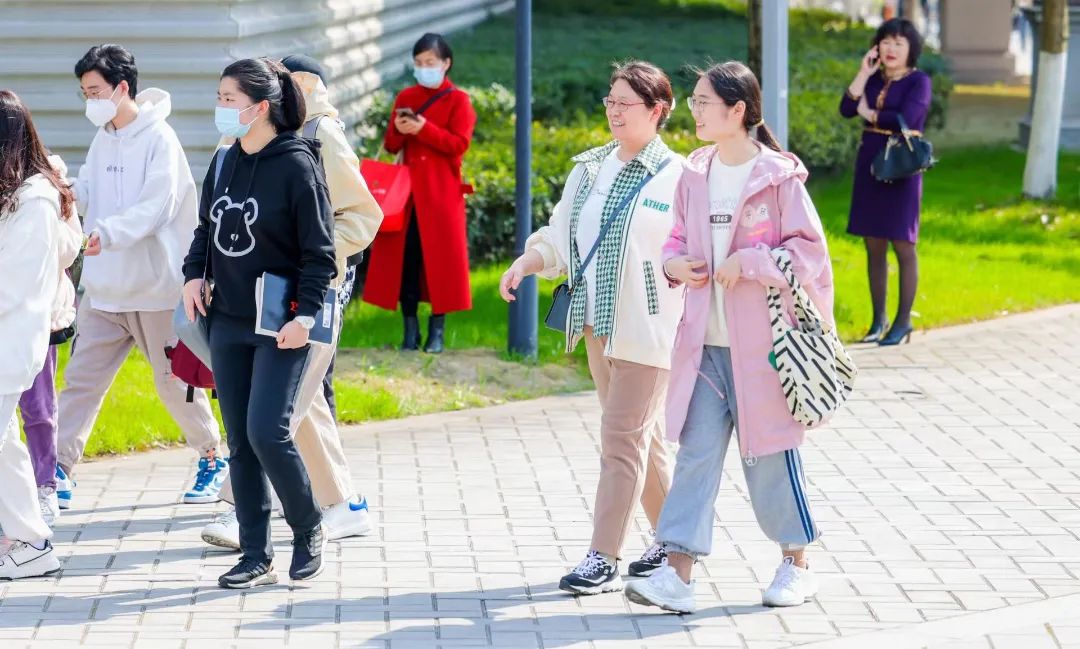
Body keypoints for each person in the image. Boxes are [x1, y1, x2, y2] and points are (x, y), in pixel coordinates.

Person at [623, 62, 832, 614]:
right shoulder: (695, 175)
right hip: (704, 347)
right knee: (695, 455)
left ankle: (796, 564)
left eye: (703, 102)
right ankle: (677, 575)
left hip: (765, 349)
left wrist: (753, 261)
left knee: (770, 455)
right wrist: (675, 265)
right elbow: (674, 240)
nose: (694, 111)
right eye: (693, 101)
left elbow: (809, 253)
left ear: (738, 110)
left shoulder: (778, 178)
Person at [499, 61, 685, 596]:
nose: (614, 112)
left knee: (621, 440)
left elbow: (688, 249)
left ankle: (603, 557)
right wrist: (527, 262)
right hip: (597, 327)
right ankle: (677, 543)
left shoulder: (677, 177)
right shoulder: (590, 169)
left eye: (626, 103)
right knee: (641, 438)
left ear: (657, 111)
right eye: (610, 101)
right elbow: (562, 236)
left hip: (650, 328)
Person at [201, 54, 383, 550]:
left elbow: (363, 215)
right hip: (246, 295)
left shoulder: (320, 134)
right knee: (302, 405)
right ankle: (344, 505)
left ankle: (238, 510)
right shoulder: (241, 138)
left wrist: (304, 254)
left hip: (307, 292)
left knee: (275, 414)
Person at [182, 57, 337, 589]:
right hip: (226, 319)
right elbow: (205, 229)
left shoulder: (297, 165)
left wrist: (306, 315)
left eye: (230, 99)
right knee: (240, 442)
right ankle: (255, 554)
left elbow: (320, 253)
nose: (220, 108)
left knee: (267, 431)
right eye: (219, 98)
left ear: (261, 107)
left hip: (281, 322)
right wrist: (192, 274)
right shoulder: (224, 160)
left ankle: (308, 526)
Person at [56, 44, 225, 509]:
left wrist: (107, 233)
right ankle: (56, 469)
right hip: (104, 288)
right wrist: (62, 191)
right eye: (85, 92)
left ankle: (212, 457)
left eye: (95, 91)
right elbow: (89, 188)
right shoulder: (104, 136)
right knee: (82, 381)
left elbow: (157, 207)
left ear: (122, 88)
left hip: (156, 289)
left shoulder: (160, 139)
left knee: (174, 381)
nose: (90, 100)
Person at [0, 90, 83, 579]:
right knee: (7, 445)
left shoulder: (34, 201)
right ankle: (31, 543)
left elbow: (14, 284)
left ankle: (31, 542)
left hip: (10, 344)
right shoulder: (13, 193)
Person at [363, 33, 476, 353]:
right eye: (418, 63)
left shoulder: (459, 100)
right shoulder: (407, 96)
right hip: (407, 196)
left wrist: (424, 129)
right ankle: (409, 330)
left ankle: (437, 331)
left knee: (440, 264)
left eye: (430, 62)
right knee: (407, 261)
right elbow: (390, 145)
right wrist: (401, 130)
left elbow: (459, 145)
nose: (424, 68)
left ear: (446, 63)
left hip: (441, 195)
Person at [840, 19, 931, 345]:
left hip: (902, 165)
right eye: (886, 42)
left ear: (911, 49)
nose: (891, 49)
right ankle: (878, 321)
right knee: (873, 243)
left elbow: (908, 118)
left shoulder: (919, 81)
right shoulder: (874, 78)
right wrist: (863, 73)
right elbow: (846, 108)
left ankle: (903, 322)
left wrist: (868, 113)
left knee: (903, 243)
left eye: (899, 43)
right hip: (871, 163)